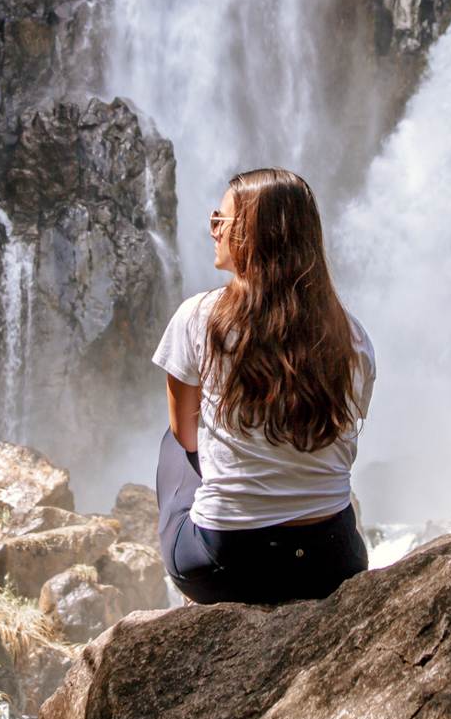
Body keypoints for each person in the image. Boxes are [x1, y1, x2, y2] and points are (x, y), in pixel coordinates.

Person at [153, 167, 375, 605]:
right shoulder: (352, 335)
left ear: (253, 234)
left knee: (171, 443)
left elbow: (185, 433)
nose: (212, 229)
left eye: (222, 220)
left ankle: (228, 519)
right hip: (332, 565)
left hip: (225, 567)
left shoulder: (198, 317)